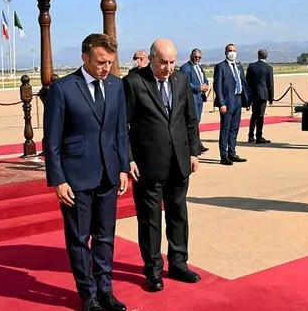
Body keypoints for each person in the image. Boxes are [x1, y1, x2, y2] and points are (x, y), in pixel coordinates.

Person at [44, 33, 130, 311]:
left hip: (109, 174)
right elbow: (51, 140)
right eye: (100, 62)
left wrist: (123, 167)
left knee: (105, 235)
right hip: (76, 177)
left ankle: (106, 289)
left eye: (110, 62)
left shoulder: (116, 86)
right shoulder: (63, 89)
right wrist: (58, 179)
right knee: (79, 239)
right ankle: (88, 294)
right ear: (85, 57)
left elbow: (120, 132)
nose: (106, 68)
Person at [123, 39, 202, 292]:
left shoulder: (181, 80)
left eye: (172, 62)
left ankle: (178, 263)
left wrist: (194, 151)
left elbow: (190, 119)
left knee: (178, 214)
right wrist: (128, 158)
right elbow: (122, 126)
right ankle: (153, 270)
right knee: (150, 219)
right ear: (151, 59)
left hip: (179, 161)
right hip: (148, 164)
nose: (168, 68)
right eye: (163, 63)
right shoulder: (134, 83)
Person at [213, 43, 250, 165]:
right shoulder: (221, 67)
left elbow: (243, 84)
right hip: (227, 101)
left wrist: (247, 101)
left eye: (234, 50)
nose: (232, 53)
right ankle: (223, 155)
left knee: (234, 128)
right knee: (225, 129)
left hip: (238, 100)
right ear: (225, 52)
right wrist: (221, 103)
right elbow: (217, 86)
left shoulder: (239, 67)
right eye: (230, 50)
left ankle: (232, 152)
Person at [179, 48, 209, 153]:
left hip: (200, 98)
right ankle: (194, 145)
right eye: (195, 57)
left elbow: (204, 79)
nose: (197, 59)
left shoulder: (199, 68)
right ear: (191, 56)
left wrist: (205, 85)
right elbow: (186, 83)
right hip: (192, 98)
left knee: (197, 121)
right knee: (193, 122)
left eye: (199, 57)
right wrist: (198, 88)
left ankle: (197, 143)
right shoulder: (185, 68)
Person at [245, 49, 274, 144]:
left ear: (258, 55)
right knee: (260, 115)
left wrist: (248, 94)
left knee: (254, 115)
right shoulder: (268, 68)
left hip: (253, 94)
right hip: (263, 95)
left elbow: (247, 81)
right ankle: (259, 136)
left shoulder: (251, 66)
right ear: (266, 56)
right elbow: (270, 84)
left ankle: (250, 135)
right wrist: (271, 97)